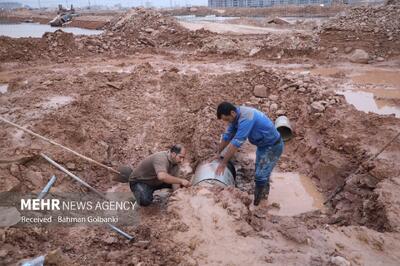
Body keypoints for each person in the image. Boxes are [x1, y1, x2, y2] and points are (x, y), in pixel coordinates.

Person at [215, 102, 283, 206]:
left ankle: (259, 202)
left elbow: (236, 143)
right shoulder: (235, 117)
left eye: (227, 119)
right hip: (262, 146)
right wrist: (218, 153)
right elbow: (227, 136)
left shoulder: (246, 117)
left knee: (260, 176)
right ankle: (263, 191)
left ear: (232, 113)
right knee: (261, 172)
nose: (228, 122)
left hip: (272, 146)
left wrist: (224, 163)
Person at [117, 144, 191, 206]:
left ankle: (149, 190)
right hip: (140, 181)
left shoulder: (176, 164)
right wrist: (181, 181)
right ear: (173, 154)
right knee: (145, 201)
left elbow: (175, 183)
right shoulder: (161, 158)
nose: (182, 160)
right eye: (180, 157)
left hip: (155, 181)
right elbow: (162, 176)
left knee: (180, 183)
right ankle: (137, 194)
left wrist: (177, 197)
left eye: (183, 158)